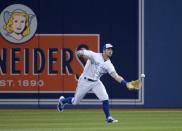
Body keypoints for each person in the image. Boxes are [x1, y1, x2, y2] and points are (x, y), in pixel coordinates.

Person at [57, 43, 139, 123]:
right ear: (104, 50)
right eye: (108, 49)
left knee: (105, 97)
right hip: (84, 81)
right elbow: (82, 52)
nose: (110, 51)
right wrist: (80, 53)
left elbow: (116, 76)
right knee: (75, 102)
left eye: (111, 50)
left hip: (96, 82)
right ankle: (62, 101)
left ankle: (108, 117)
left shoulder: (109, 65)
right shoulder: (94, 55)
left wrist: (126, 84)